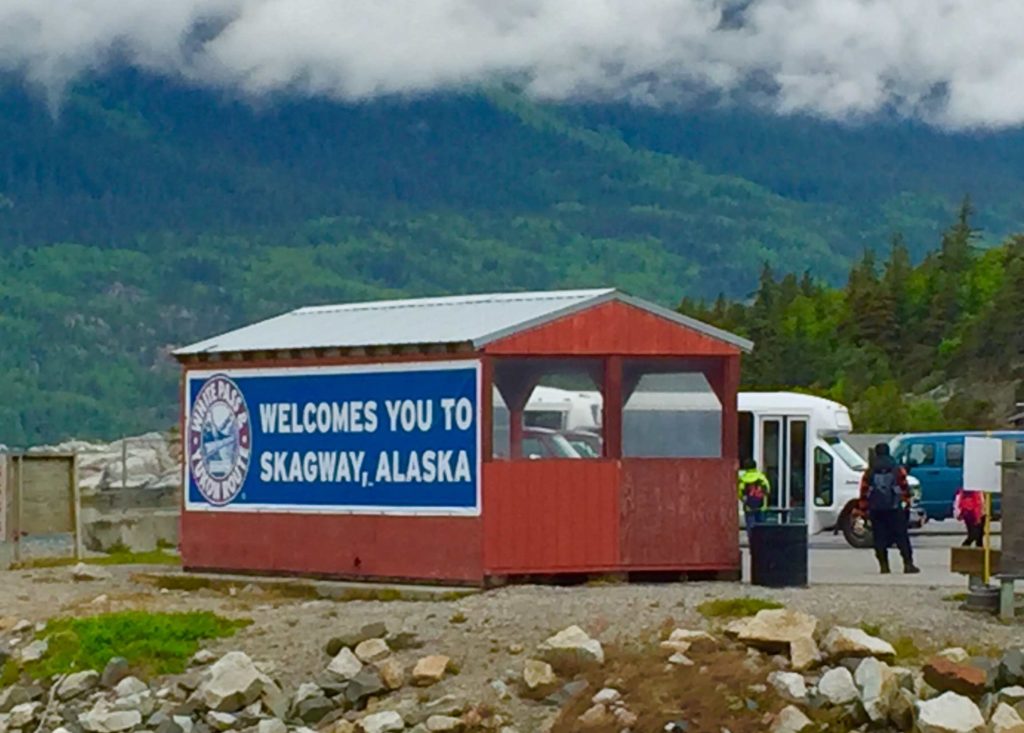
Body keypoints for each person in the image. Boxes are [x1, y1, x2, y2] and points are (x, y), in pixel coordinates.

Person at [859, 443, 920, 574]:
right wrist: (906, 504)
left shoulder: (869, 472)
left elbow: (864, 492)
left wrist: (863, 511)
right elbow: (904, 488)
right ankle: (908, 564)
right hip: (895, 509)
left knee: (879, 538)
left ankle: (884, 566)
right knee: (901, 537)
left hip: (876, 510)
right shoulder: (897, 469)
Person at [738, 458, 771, 532]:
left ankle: (752, 541)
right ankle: (761, 542)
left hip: (749, 507)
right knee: (761, 527)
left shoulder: (742, 479)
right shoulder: (761, 477)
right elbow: (768, 489)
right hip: (761, 506)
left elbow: (739, 493)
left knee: (751, 526)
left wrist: (744, 500)